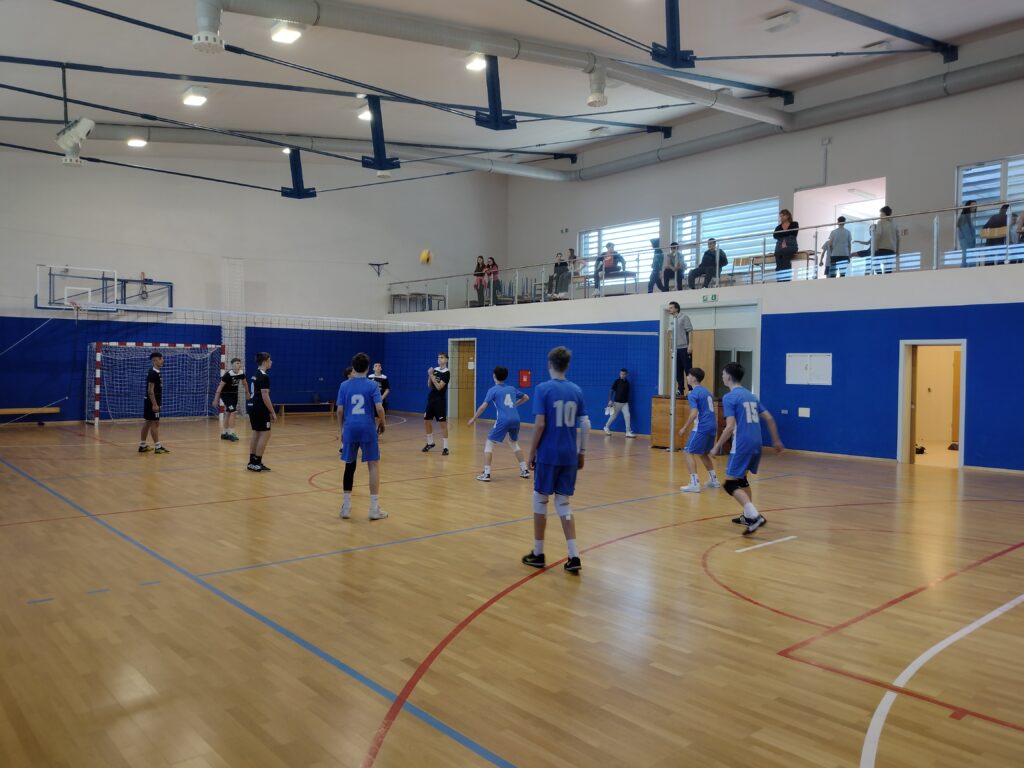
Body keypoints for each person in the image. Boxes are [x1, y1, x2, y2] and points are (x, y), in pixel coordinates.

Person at [522, 346, 590, 573]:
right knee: (563, 503)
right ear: (567, 365)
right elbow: (586, 424)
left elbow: (540, 424)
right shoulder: (576, 390)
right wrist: (582, 452)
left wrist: (531, 453)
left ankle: (538, 553)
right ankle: (574, 556)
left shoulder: (543, 389)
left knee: (540, 500)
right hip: (569, 456)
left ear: (549, 364)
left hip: (549, 454)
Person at [711, 362, 783, 535]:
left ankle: (755, 516)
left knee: (730, 484)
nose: (722, 376)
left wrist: (716, 446)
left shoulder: (730, 397)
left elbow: (729, 427)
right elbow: (770, 418)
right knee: (742, 480)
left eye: (723, 374)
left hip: (742, 444)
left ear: (728, 377)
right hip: (756, 442)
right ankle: (747, 516)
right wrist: (776, 441)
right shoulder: (751, 396)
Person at [337, 353, 388, 521]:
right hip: (367, 428)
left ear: (353, 367)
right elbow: (379, 408)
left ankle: (346, 507)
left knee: (349, 466)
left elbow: (339, 411)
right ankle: (374, 509)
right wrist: (382, 423)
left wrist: (342, 429)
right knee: (373, 466)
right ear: (367, 368)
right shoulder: (372, 385)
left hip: (350, 428)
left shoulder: (344, 385)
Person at [468, 366, 531, 482]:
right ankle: (524, 470)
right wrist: (515, 405)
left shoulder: (493, 390)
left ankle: (486, 473)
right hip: (516, 419)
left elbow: (483, 407)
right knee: (513, 443)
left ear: (494, 376)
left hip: (503, 419)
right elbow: (526, 397)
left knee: (489, 443)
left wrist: (474, 418)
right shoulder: (512, 388)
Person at [677, 368, 720, 492]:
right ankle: (713, 480)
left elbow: (694, 413)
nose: (687, 377)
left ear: (694, 378)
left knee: (687, 451)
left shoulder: (693, 393)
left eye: (689, 375)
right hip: (712, 426)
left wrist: (684, 427)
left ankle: (694, 483)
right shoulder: (707, 392)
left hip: (702, 426)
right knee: (703, 453)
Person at [246, 352, 276, 472]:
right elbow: (265, 396)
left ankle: (252, 462)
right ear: (265, 361)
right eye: (270, 360)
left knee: (256, 433)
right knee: (265, 434)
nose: (271, 362)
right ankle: (257, 462)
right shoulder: (264, 376)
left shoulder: (255, 374)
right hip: (259, 407)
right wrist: (272, 412)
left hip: (252, 406)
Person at [138, 351, 168, 454]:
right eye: (161, 359)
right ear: (155, 360)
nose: (163, 360)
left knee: (148, 422)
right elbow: (150, 390)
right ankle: (158, 447)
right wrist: (155, 404)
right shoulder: (153, 373)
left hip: (153, 401)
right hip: (152, 402)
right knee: (155, 423)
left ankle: (142, 446)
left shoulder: (156, 372)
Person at [856, 206, 899, 274]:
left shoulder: (880, 222)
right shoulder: (894, 224)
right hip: (892, 250)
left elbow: (878, 235)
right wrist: (897, 251)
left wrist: (875, 248)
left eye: (881, 213)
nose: (880, 215)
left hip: (881, 249)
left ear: (884, 213)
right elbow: (898, 238)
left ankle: (880, 277)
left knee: (874, 263)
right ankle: (885, 280)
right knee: (888, 270)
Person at [423, 352, 450, 454]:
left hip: (440, 401)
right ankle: (430, 443)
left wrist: (431, 375)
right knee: (426, 421)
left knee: (442, 423)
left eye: (442, 357)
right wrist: (429, 375)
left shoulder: (447, 373)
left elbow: (439, 387)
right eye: (438, 357)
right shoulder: (435, 370)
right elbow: (430, 385)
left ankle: (446, 448)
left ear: (446, 360)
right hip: (431, 399)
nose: (439, 359)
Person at [212, 357, 245, 441]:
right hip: (226, 396)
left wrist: (247, 393)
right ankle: (231, 433)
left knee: (228, 413)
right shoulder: (227, 375)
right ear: (232, 365)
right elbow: (220, 387)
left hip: (234, 396)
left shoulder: (241, 373)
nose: (239, 365)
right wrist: (216, 399)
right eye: (237, 363)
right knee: (233, 412)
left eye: (239, 363)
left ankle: (224, 433)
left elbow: (245, 383)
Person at [667, 301, 693, 396]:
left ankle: (691, 389)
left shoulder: (684, 317)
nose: (669, 309)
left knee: (688, 369)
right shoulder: (672, 320)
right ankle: (680, 389)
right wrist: (671, 348)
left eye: (671, 308)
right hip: (675, 349)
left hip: (684, 347)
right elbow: (672, 335)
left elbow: (690, 331)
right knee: (678, 370)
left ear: (676, 309)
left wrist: (690, 344)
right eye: (669, 308)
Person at [603, 368, 635, 437]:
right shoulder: (617, 381)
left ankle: (628, 432)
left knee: (627, 416)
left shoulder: (627, 383)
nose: (622, 375)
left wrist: (626, 401)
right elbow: (611, 391)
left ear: (626, 374)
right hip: (617, 403)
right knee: (613, 416)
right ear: (619, 374)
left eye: (624, 374)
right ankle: (606, 427)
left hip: (625, 403)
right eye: (621, 374)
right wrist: (610, 400)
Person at [773, 209, 799, 282]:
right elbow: (775, 235)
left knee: (784, 255)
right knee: (779, 256)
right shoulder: (778, 227)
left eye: (783, 215)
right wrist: (786, 235)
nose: (781, 217)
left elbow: (794, 233)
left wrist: (782, 236)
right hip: (780, 248)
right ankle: (781, 278)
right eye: (780, 216)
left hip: (791, 246)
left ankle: (786, 278)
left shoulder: (794, 224)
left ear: (787, 216)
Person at [956, 201, 977, 268]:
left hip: (968, 242)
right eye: (973, 205)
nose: (975, 207)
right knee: (967, 258)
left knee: (968, 258)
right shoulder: (964, 217)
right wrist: (971, 243)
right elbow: (966, 231)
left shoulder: (968, 217)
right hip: (967, 242)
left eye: (975, 205)